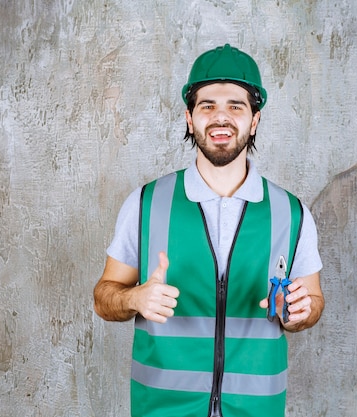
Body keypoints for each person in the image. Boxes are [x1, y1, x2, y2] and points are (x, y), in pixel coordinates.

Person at [93, 44, 324, 417]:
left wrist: (302, 310)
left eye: (235, 106)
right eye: (207, 106)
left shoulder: (291, 212)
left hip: (256, 410)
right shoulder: (146, 204)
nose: (221, 118)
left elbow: (313, 302)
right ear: (189, 117)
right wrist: (134, 299)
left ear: (254, 120)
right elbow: (104, 296)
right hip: (163, 409)